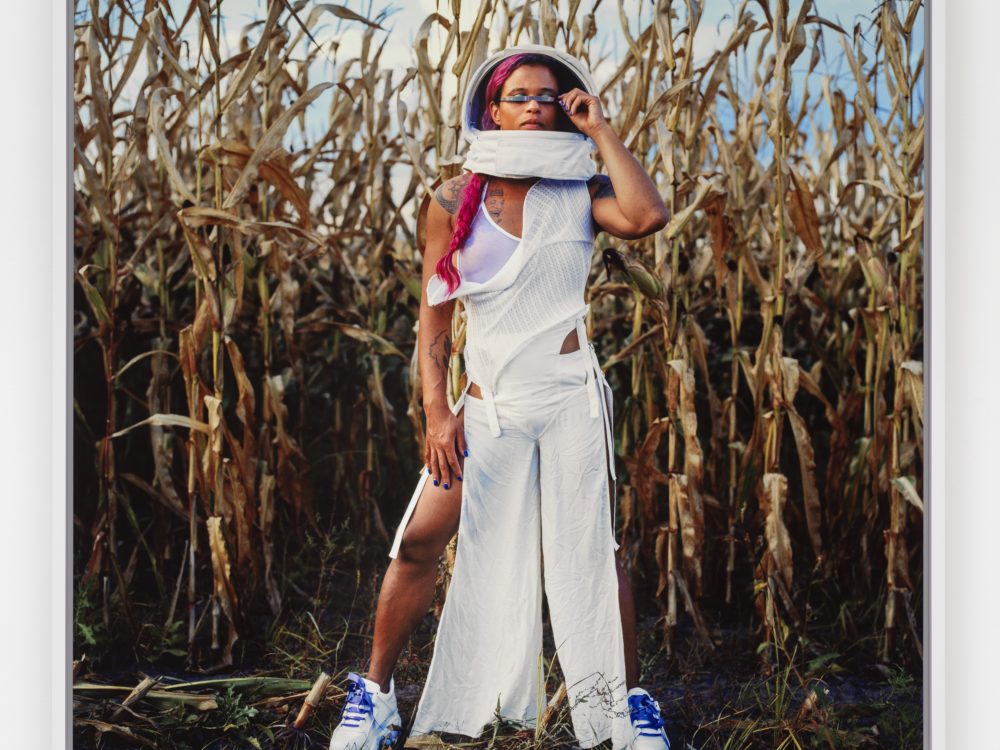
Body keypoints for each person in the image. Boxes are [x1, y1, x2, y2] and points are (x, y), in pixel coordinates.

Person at [328, 44, 672, 750]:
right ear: (491, 107)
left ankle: (630, 710)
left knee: (595, 552)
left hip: (569, 397)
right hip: (488, 408)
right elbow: (435, 315)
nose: (536, 108)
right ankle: (376, 697)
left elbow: (647, 217)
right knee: (419, 539)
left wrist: (600, 129)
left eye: (550, 97)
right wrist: (437, 411)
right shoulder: (454, 199)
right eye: (520, 96)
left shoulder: (580, 187)